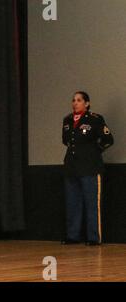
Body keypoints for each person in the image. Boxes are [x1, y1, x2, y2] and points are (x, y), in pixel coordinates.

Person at [61, 91, 114, 246]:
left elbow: (108, 139)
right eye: (73, 100)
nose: (75, 103)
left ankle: (93, 237)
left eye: (79, 100)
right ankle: (73, 235)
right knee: (73, 202)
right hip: (72, 167)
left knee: (92, 203)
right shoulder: (68, 120)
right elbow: (66, 141)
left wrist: (93, 151)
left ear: (87, 103)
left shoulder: (95, 119)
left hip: (90, 167)